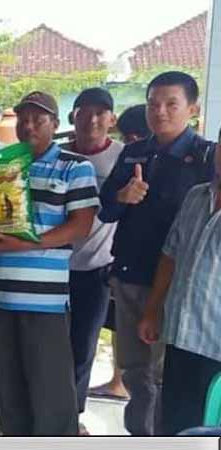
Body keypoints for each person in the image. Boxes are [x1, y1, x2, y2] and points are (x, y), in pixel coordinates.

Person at [99, 71, 215, 436]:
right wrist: (122, 197)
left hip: (184, 289)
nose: (160, 112)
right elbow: (104, 212)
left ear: (192, 109)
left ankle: (169, 443)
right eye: (153, 104)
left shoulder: (207, 157)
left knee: (172, 375)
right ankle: (140, 441)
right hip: (133, 276)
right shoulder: (134, 152)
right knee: (135, 370)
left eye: (171, 104)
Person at [0, 91, 99, 435]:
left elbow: (81, 226)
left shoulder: (75, 166)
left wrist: (25, 243)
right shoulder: (0, 165)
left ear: (55, 124)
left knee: (50, 390)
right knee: (7, 386)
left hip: (43, 299)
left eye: (39, 118)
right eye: (24, 118)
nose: (30, 125)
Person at [138, 132, 221, 435]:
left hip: (217, 347)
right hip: (180, 337)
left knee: (207, 433)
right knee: (173, 424)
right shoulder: (197, 196)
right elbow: (170, 254)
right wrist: (152, 310)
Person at [63, 88, 125, 433]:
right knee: (51, 344)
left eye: (101, 112)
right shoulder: (58, 156)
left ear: (111, 119)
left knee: (84, 345)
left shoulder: (124, 157)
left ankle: (73, 416)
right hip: (54, 267)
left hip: (98, 270)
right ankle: (49, 410)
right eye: (85, 111)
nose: (93, 119)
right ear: (74, 117)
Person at [88, 104, 151, 402]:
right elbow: (107, 211)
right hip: (124, 268)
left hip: (168, 277)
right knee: (131, 356)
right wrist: (121, 197)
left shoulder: (198, 157)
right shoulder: (130, 158)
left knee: (158, 367)